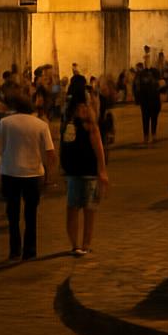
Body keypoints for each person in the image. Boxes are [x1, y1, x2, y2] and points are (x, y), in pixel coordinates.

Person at [0, 93, 55, 260]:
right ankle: (30, 250)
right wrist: (49, 175)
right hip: (33, 173)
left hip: (10, 172)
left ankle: (14, 250)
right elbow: (50, 152)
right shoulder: (41, 125)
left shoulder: (5, 123)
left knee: (12, 215)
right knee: (31, 214)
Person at [61, 87, 108, 256]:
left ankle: (85, 244)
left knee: (88, 210)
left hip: (88, 172)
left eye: (84, 106)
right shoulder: (69, 122)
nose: (82, 109)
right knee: (74, 209)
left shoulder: (89, 125)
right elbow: (64, 147)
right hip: (75, 173)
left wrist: (102, 170)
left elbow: (98, 148)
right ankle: (76, 245)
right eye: (80, 106)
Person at [135, 67, 162, 146]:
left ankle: (148, 136)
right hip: (150, 103)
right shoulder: (154, 83)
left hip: (148, 103)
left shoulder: (145, 83)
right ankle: (151, 135)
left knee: (147, 120)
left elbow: (138, 92)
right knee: (152, 119)